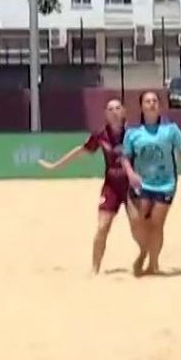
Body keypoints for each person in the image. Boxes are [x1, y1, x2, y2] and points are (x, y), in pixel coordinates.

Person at [38, 97, 141, 274]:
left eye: (117, 108)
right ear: (105, 115)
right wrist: (56, 166)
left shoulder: (134, 135)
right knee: (102, 227)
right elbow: (80, 151)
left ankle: (145, 258)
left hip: (132, 187)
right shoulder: (100, 136)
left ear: (124, 112)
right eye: (110, 109)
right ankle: (95, 269)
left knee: (138, 227)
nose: (114, 112)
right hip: (111, 186)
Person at [119, 90, 181, 276]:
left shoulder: (171, 130)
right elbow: (125, 157)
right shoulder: (133, 132)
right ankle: (144, 250)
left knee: (156, 224)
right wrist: (130, 174)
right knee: (138, 222)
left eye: (155, 101)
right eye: (147, 101)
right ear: (141, 107)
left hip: (165, 184)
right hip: (141, 184)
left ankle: (153, 264)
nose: (152, 104)